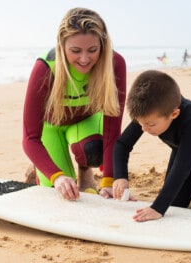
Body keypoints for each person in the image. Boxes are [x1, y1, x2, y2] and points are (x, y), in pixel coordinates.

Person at [22, 7, 126, 201]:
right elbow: (30, 138)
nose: (85, 59)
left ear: (103, 45)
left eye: (93, 50)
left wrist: (109, 181)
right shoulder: (45, 68)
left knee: (93, 149)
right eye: (75, 51)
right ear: (62, 46)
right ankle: (38, 167)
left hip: (86, 123)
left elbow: (113, 131)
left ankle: (85, 171)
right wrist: (57, 177)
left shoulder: (114, 64)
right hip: (51, 128)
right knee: (61, 193)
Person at [112, 70, 191, 222]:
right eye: (140, 123)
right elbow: (122, 145)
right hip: (182, 150)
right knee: (176, 204)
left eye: (150, 124)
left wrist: (158, 208)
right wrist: (120, 177)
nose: (144, 129)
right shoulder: (147, 113)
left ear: (174, 114)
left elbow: (182, 167)